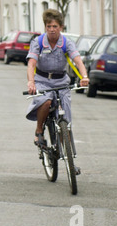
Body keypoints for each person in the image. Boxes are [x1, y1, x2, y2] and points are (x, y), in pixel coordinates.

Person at [26, 9, 89, 145]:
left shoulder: (67, 42)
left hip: (61, 81)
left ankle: (68, 153)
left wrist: (84, 77)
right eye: (49, 26)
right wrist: (31, 82)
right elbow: (31, 64)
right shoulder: (38, 42)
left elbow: (78, 61)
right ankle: (39, 131)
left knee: (66, 114)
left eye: (55, 26)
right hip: (42, 81)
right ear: (45, 27)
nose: (52, 29)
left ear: (61, 27)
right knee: (46, 101)